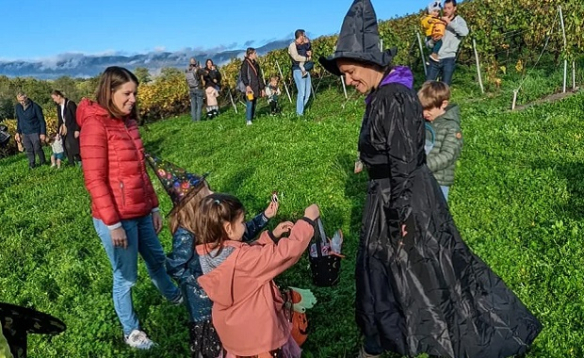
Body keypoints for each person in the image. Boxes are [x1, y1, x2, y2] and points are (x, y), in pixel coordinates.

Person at [319, 1, 542, 357]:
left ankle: (414, 337)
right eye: (344, 74)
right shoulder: (383, 96)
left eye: (349, 71)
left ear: (369, 62)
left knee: (422, 271)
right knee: (393, 272)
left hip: (401, 198)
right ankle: (382, 340)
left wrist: (399, 217)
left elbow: (404, 162)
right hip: (390, 195)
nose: (347, 80)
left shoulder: (393, 98)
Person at [77, 66, 182, 350]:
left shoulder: (129, 123)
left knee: (157, 259)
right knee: (125, 278)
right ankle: (131, 331)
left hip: (141, 212)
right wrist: (113, 224)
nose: (133, 98)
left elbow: (140, 171)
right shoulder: (94, 125)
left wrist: (155, 207)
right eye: (127, 93)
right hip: (117, 219)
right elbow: (95, 180)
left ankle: (173, 295)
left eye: (135, 93)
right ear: (109, 92)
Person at [145, 154, 279, 358]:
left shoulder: (210, 223)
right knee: (212, 346)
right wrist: (204, 281)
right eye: (208, 191)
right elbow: (176, 267)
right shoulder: (185, 232)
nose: (214, 192)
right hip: (204, 306)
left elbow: (239, 234)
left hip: (222, 295)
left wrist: (265, 217)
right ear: (196, 201)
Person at [195, 194, 319, 358]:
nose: (245, 226)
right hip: (260, 335)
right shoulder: (244, 260)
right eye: (241, 222)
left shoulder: (210, 253)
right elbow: (285, 253)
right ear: (228, 229)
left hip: (234, 333)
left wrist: (272, 236)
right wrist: (307, 222)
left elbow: (247, 256)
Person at [418, 81, 462, 201]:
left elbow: (448, 155)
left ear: (444, 104)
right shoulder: (423, 122)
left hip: (438, 180)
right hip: (419, 178)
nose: (424, 113)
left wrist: (423, 166)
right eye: (422, 108)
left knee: (437, 213)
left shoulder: (451, 127)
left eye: (428, 109)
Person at [425, 0, 469, 85]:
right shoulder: (437, 20)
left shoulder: (458, 21)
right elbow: (427, 44)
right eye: (445, 8)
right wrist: (433, 41)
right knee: (428, 86)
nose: (446, 10)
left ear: (454, 8)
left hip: (448, 58)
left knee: (445, 86)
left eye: (449, 8)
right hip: (434, 59)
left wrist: (449, 23)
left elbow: (464, 32)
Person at [14, 92, 46, 169]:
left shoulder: (35, 107)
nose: (22, 102)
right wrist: (18, 132)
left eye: (23, 100)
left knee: (37, 148)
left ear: (26, 98)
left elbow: (42, 121)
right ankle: (32, 164)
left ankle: (43, 162)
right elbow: (19, 120)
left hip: (35, 130)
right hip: (25, 132)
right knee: (29, 149)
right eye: (19, 100)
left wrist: (42, 133)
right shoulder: (18, 107)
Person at [51, 90, 81, 166]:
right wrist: (58, 133)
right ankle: (71, 163)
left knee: (73, 146)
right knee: (66, 145)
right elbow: (60, 120)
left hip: (72, 128)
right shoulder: (59, 106)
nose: (54, 100)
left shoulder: (70, 104)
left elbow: (77, 117)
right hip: (64, 129)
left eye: (54, 98)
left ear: (59, 96)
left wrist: (77, 129)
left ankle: (79, 160)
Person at [288, 29, 312, 116]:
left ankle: (300, 110)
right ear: (300, 36)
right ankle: (299, 114)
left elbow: (309, 52)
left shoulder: (304, 45)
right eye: (304, 35)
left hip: (306, 69)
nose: (305, 37)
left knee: (308, 93)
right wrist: (306, 59)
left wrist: (309, 54)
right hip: (298, 70)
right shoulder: (292, 45)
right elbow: (296, 57)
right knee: (302, 92)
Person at [240, 48, 265, 126]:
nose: (256, 55)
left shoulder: (256, 64)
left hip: (256, 86)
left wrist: (262, 88)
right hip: (249, 87)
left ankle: (252, 116)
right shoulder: (245, 63)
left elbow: (259, 76)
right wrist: (247, 85)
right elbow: (243, 76)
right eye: (255, 53)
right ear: (250, 54)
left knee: (254, 102)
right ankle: (248, 120)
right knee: (250, 102)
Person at [186, 58, 207, 122]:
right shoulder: (197, 70)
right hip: (198, 89)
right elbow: (205, 73)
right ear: (195, 63)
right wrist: (201, 68)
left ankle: (194, 120)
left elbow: (186, 81)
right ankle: (198, 121)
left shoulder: (187, 70)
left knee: (193, 106)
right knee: (199, 105)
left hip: (191, 89)